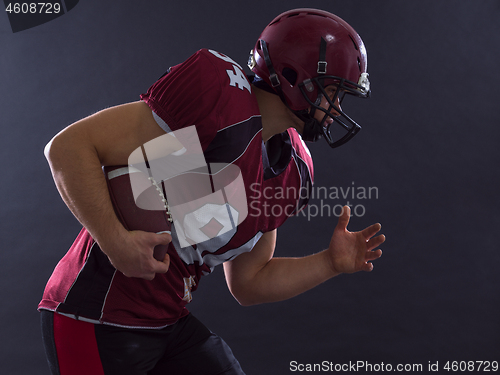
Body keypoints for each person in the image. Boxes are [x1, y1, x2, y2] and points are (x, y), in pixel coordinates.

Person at [39, 8, 384, 375]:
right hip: (94, 315)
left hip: (166, 321)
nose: (335, 108)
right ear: (294, 75)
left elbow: (249, 283)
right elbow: (67, 148)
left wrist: (328, 263)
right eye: (332, 91)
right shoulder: (221, 97)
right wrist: (114, 241)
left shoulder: (293, 169)